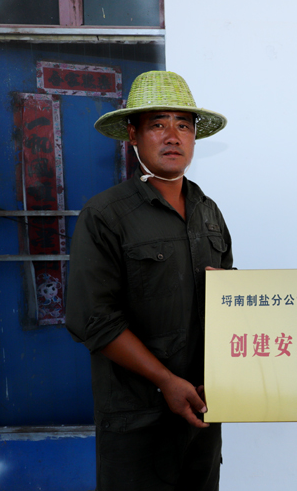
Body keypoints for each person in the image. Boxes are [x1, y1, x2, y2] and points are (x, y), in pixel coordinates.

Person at [66, 70, 233, 491]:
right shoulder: (105, 215)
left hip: (203, 409)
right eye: (158, 124)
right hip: (136, 420)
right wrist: (165, 381)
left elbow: (230, 304)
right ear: (133, 135)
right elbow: (93, 320)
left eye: (183, 126)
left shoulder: (209, 212)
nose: (173, 137)